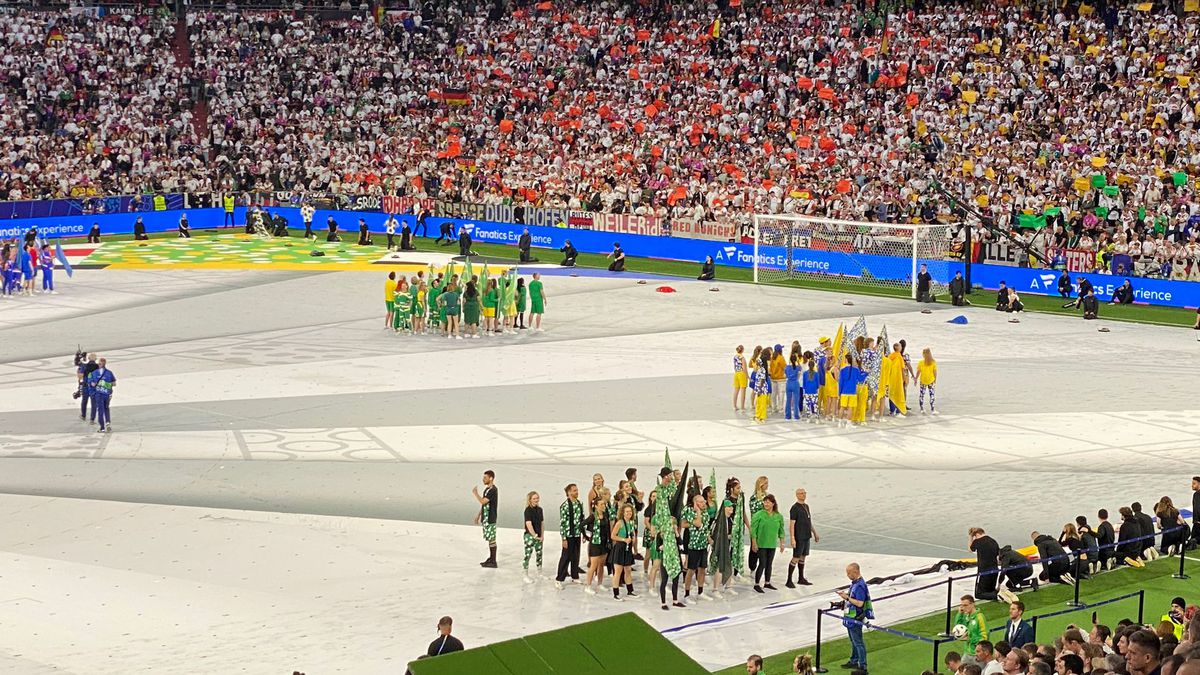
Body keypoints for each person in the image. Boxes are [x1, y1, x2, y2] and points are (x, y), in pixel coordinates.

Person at [837, 562, 873, 672]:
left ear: (856, 572)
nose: (847, 575)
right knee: (853, 641)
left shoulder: (860, 585)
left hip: (856, 618)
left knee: (858, 642)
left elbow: (860, 603)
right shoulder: (855, 583)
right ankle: (854, 660)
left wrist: (847, 598)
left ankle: (862, 665)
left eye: (849, 573)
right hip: (851, 617)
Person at [750, 494, 785, 593]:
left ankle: (767, 582)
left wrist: (782, 543)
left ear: (773, 503)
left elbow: (781, 531)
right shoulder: (759, 514)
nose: (766, 504)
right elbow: (753, 530)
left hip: (772, 544)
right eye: (765, 502)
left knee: (769, 564)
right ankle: (756, 584)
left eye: (768, 502)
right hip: (761, 544)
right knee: (762, 563)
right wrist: (754, 542)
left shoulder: (778, 516)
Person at [680, 494, 711, 602]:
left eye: (704, 501)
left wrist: (709, 538)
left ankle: (700, 591)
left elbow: (705, 527)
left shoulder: (705, 513)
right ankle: (687, 594)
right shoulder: (690, 512)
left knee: (702, 569)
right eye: (701, 502)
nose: (704, 503)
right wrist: (697, 511)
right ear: (696, 503)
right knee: (691, 570)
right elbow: (698, 524)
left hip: (703, 545)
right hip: (694, 546)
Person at [786, 487, 818, 587]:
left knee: (803, 557)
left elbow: (809, 521)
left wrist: (815, 533)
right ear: (797, 495)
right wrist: (792, 538)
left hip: (806, 536)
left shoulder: (806, 506)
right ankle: (789, 580)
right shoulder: (795, 508)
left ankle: (801, 578)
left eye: (804, 493)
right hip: (799, 536)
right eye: (801, 493)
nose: (803, 495)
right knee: (795, 557)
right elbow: (792, 524)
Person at [555, 483, 584, 589]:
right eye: (574, 490)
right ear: (569, 492)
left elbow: (582, 519)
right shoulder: (565, 506)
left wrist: (584, 534)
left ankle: (575, 575)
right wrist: (563, 538)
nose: (577, 492)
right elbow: (562, 523)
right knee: (566, 557)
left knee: (576, 555)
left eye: (577, 490)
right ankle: (559, 579)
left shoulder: (580, 503)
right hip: (568, 535)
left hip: (577, 534)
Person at [609, 503, 639, 600]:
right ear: (623, 512)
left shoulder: (631, 522)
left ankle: (630, 590)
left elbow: (633, 534)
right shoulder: (619, 523)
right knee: (618, 572)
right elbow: (613, 536)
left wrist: (633, 538)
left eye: (630, 511)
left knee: (628, 570)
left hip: (627, 549)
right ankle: (616, 593)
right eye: (627, 512)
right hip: (620, 548)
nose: (629, 513)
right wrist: (623, 539)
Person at [472, 470, 498, 568]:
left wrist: (475, 493)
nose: (483, 480)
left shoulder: (493, 490)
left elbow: (483, 501)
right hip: (486, 518)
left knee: (492, 539)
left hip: (490, 518)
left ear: (491, 478)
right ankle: (491, 558)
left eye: (485, 478)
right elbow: (484, 505)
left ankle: (493, 560)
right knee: (489, 539)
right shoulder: (487, 489)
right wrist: (479, 515)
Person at [970, 527, 1000, 601]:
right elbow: (998, 555)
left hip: (984, 571)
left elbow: (971, 549)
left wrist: (971, 537)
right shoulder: (993, 541)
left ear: (976, 534)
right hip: (995, 569)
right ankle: (995, 594)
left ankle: (997, 595)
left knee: (978, 594)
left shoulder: (977, 541)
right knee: (990, 590)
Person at [87, 358, 116, 433]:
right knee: (106, 408)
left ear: (99, 364)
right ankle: (108, 423)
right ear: (105, 364)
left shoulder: (94, 373)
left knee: (100, 410)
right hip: (107, 394)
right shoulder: (109, 373)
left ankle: (102, 427)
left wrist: (94, 385)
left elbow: (91, 383)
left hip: (99, 395)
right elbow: (114, 383)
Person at [522, 491, 544, 583]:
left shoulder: (540, 509)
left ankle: (539, 573)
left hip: (539, 536)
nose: (536, 500)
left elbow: (542, 523)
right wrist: (534, 535)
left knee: (539, 554)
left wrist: (542, 535)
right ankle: (525, 575)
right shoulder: (527, 510)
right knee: (528, 554)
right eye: (534, 498)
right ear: (530, 500)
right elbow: (528, 524)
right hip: (530, 536)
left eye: (537, 498)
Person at [77, 353, 99, 422]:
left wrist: (78, 371)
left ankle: (83, 415)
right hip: (94, 387)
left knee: (84, 401)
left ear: (88, 358)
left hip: (86, 386)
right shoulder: (98, 367)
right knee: (94, 403)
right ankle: (92, 419)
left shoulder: (84, 366)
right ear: (96, 359)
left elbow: (80, 377)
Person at [917, 348, 937, 415]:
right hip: (931, 380)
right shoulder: (933, 362)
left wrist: (916, 379)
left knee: (922, 395)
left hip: (923, 381)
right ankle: (933, 409)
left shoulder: (921, 362)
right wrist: (935, 380)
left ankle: (922, 408)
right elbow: (935, 372)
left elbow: (918, 372)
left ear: (923, 354)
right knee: (932, 395)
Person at [784, 352, 802, 420]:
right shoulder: (798, 367)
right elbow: (799, 375)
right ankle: (796, 415)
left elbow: (785, 376)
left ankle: (787, 415)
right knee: (796, 400)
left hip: (788, 383)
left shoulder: (787, 367)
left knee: (788, 400)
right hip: (795, 383)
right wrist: (798, 361)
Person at [732, 345, 749, 412]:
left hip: (736, 373)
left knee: (736, 390)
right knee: (743, 390)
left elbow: (734, 366)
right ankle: (742, 407)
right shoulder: (742, 358)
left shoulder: (735, 357)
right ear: (742, 350)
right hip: (742, 374)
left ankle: (734, 405)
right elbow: (744, 368)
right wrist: (747, 376)